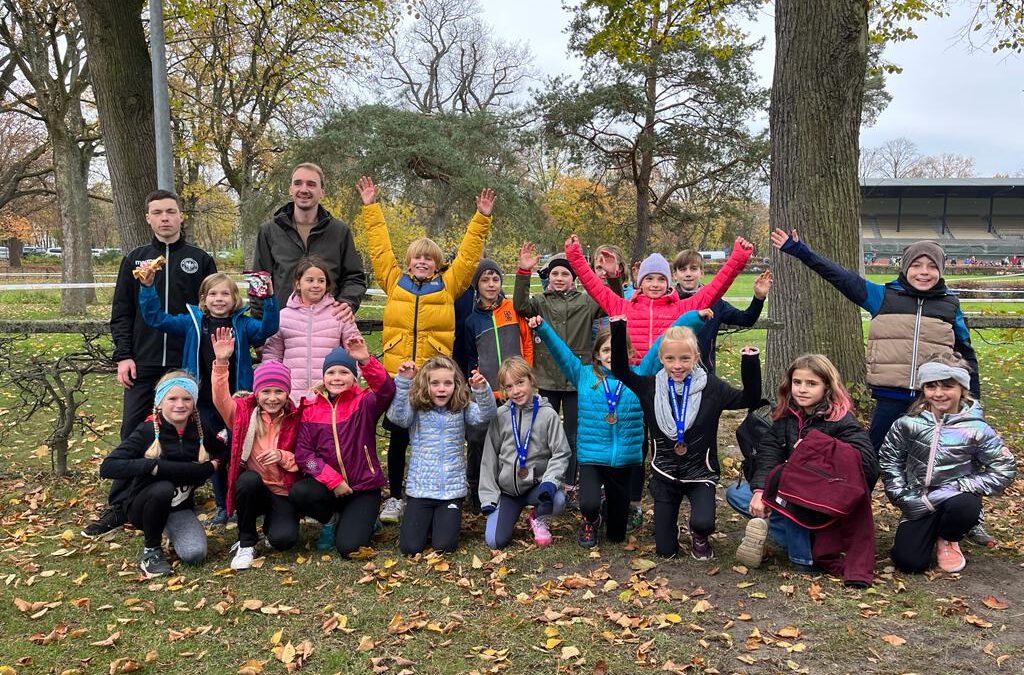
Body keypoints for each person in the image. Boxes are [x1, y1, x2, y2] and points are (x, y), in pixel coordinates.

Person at [771, 230, 991, 545]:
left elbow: (967, 355)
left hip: (934, 400)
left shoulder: (949, 306)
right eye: (917, 265)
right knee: (866, 460)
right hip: (890, 398)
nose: (924, 272)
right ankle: (840, 513)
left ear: (941, 271)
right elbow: (839, 276)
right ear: (905, 268)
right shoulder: (884, 297)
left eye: (931, 266)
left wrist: (975, 405)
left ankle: (967, 518)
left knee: (954, 458)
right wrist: (799, 250)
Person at [358, 175, 494, 524]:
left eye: (429, 259)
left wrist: (481, 218)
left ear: (436, 264)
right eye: (417, 258)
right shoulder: (393, 280)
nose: (422, 262)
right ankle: (396, 495)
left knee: (440, 433)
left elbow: (467, 256)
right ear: (410, 260)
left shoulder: (448, 285)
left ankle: (444, 489)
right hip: (399, 373)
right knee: (399, 434)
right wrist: (371, 208)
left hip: (435, 376)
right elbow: (379, 249)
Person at [85, 189, 217, 538]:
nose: (164, 218)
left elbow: (210, 313)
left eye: (170, 211)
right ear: (148, 218)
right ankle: (120, 502)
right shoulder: (135, 259)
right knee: (132, 431)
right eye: (157, 212)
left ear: (180, 216)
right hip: (142, 363)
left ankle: (180, 492)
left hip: (183, 365)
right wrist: (124, 355)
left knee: (188, 429)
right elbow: (122, 312)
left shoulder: (199, 259)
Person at [137, 269, 279, 524]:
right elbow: (156, 319)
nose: (219, 299)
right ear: (204, 298)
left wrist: (267, 297)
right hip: (202, 402)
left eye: (225, 293)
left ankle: (240, 502)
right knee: (214, 451)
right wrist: (148, 287)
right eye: (213, 293)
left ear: (235, 298)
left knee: (238, 450)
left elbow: (269, 327)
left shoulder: (243, 324)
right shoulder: (192, 322)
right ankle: (222, 505)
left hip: (236, 401)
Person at [611, 319, 761, 560]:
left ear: (696, 356)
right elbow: (620, 371)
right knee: (665, 551)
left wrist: (750, 361)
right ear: (661, 358)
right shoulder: (650, 387)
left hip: (700, 471)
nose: (677, 365)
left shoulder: (711, 387)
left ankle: (699, 535)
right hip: (666, 472)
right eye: (670, 359)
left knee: (703, 522)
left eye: (684, 358)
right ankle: (669, 529)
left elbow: (750, 399)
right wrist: (618, 327)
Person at [727, 354, 876, 572]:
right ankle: (796, 539)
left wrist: (816, 449)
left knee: (791, 499)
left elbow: (868, 465)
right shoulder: (787, 416)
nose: (802, 389)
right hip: (789, 491)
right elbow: (769, 454)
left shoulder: (841, 419)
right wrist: (760, 491)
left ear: (826, 386)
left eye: (811, 384)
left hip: (824, 500)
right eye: (797, 382)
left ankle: (804, 556)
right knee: (737, 493)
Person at [879, 359, 1015, 574]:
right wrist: (900, 495)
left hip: (956, 498)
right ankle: (925, 531)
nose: (939, 393)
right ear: (923, 389)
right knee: (908, 563)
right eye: (931, 386)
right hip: (919, 500)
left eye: (948, 386)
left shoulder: (977, 429)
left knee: (965, 506)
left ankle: (948, 537)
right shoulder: (907, 423)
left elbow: (1004, 468)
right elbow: (889, 460)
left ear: (962, 389)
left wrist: (962, 485)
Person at [514, 243, 608, 508]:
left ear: (573, 278)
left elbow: (610, 301)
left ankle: (570, 482)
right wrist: (524, 272)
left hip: (578, 378)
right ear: (549, 277)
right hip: (547, 377)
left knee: (573, 433)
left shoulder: (586, 302)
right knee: (544, 431)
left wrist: (612, 277)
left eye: (564, 274)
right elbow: (520, 305)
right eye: (554, 274)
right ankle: (546, 480)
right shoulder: (541, 302)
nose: (559, 278)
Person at [99, 372, 217, 577]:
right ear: (160, 402)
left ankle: (168, 529)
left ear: (194, 402)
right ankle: (151, 551)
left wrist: (214, 464)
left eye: (186, 398)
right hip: (143, 506)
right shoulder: (146, 430)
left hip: (179, 508)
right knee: (164, 488)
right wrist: (151, 466)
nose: (180, 404)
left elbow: (223, 451)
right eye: (172, 398)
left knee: (195, 554)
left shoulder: (199, 430)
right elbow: (108, 467)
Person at [568, 234, 753, 361]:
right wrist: (575, 256)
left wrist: (738, 258)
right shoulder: (624, 307)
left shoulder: (681, 308)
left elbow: (715, 289)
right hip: (633, 381)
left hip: (668, 379)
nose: (655, 284)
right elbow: (593, 286)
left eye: (661, 279)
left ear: (668, 282)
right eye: (649, 279)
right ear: (640, 282)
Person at [290, 339, 395, 557]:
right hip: (332, 488)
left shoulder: (365, 402)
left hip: (363, 488)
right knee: (300, 492)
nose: (337, 378)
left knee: (349, 548)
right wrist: (333, 480)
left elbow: (386, 389)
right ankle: (330, 520)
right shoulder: (310, 409)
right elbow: (304, 456)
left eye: (344, 372)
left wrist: (366, 361)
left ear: (354, 377)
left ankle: (366, 519)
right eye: (331, 373)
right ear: (324, 377)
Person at [210, 328, 304, 571]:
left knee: (283, 540)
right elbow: (220, 399)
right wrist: (221, 362)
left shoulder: (297, 417)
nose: (272, 398)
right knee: (248, 481)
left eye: (278, 392)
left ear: (287, 393)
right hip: (254, 487)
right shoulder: (243, 412)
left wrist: (283, 457)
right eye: (266, 391)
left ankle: (272, 526)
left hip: (283, 490)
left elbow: (306, 456)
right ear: (257, 392)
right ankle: (246, 542)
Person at [387, 357, 497, 555]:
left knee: (444, 547)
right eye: (435, 383)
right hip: (420, 490)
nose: (441, 389)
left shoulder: (460, 407)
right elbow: (398, 418)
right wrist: (403, 382)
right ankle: (425, 521)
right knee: (410, 548)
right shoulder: (417, 407)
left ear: (455, 385)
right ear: (425, 384)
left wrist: (482, 390)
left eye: (447, 383)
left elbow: (485, 416)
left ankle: (440, 521)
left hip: (450, 492)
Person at [253, 162, 367, 320]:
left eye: (311, 184)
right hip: (282, 330)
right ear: (290, 189)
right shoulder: (270, 231)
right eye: (298, 183)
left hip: (327, 328)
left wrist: (347, 302)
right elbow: (259, 281)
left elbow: (354, 277)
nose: (304, 189)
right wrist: (260, 328)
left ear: (322, 192)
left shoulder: (339, 232)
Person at [479, 357, 573, 549]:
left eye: (520, 383)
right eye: (509, 386)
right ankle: (507, 514)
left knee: (558, 499)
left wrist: (550, 482)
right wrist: (489, 497)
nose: (516, 391)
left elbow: (561, 453)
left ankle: (537, 518)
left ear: (531, 380)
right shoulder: (500, 416)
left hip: (536, 486)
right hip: (508, 491)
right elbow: (488, 459)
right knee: (494, 541)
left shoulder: (548, 415)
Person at [463, 259, 533, 511]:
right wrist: (477, 384)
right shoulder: (471, 321)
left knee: (513, 438)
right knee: (479, 440)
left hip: (515, 389)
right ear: (477, 285)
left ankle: (512, 488)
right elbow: (471, 358)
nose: (491, 284)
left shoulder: (513, 310)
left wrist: (526, 374)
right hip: (487, 391)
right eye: (485, 279)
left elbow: (526, 343)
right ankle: (476, 488)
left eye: (495, 279)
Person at [261, 256, 360, 404]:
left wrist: (351, 379)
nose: (316, 285)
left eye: (321, 280)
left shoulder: (339, 314)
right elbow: (272, 355)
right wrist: (273, 386)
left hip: (329, 397)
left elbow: (356, 351)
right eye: (310, 280)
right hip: (292, 398)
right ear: (298, 284)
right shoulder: (283, 317)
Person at [672, 249, 773, 373]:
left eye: (693, 269)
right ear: (675, 275)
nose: (688, 274)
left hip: (705, 376)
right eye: (683, 269)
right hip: (671, 374)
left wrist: (759, 297)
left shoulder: (715, 303)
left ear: (702, 273)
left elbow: (747, 319)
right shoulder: (667, 302)